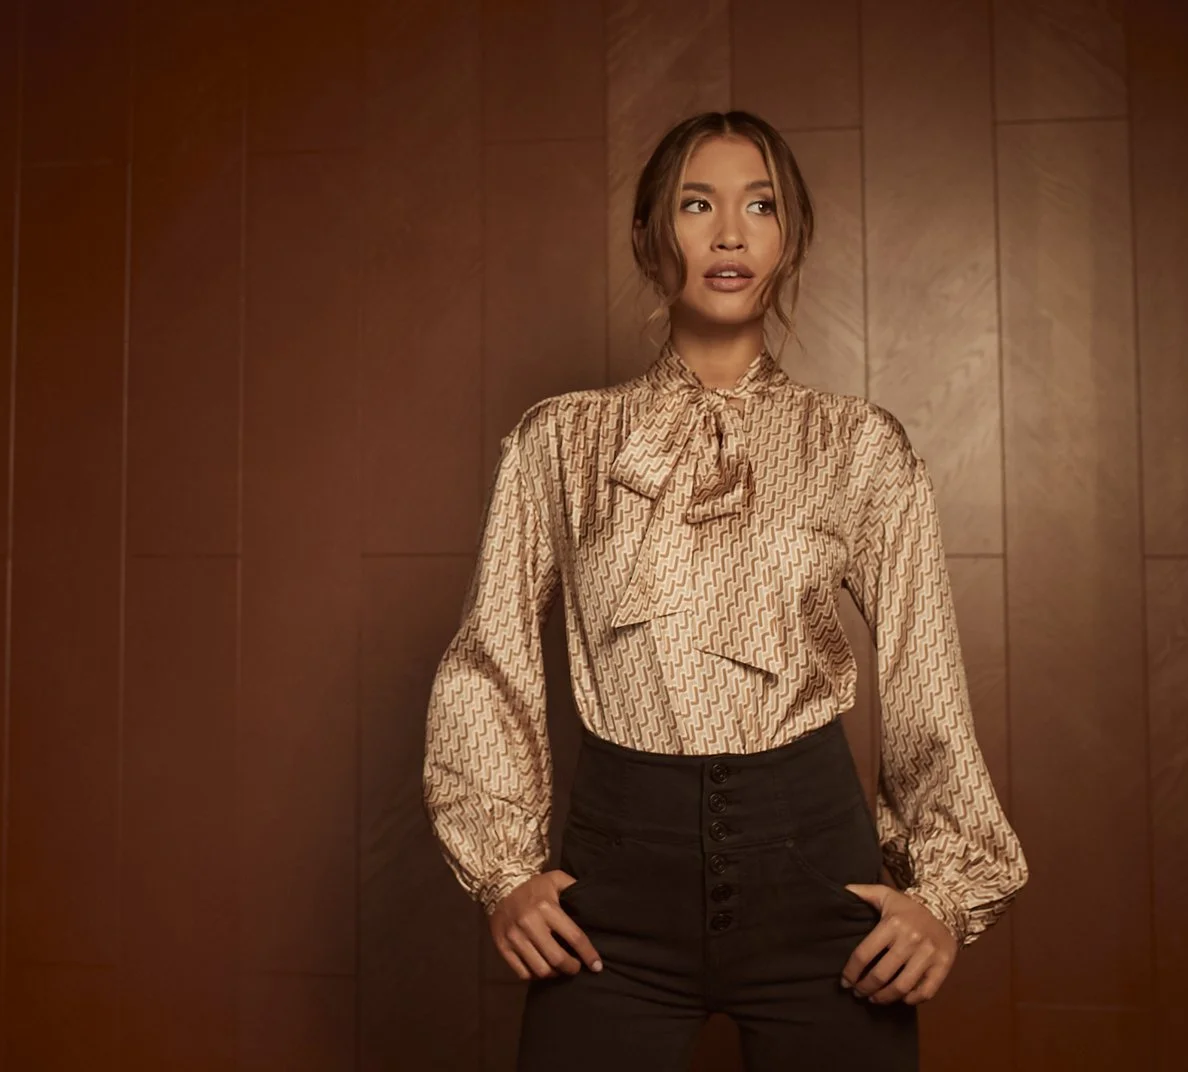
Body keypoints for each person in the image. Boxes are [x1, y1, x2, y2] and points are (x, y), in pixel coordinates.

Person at [421, 110, 1028, 1071]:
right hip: (614, 889)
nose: (731, 234)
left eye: (761, 206)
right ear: (650, 236)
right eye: (698, 204)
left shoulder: (858, 445)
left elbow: (927, 683)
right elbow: (487, 663)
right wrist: (503, 874)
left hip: (816, 879)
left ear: (791, 240)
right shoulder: (562, 441)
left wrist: (944, 895)